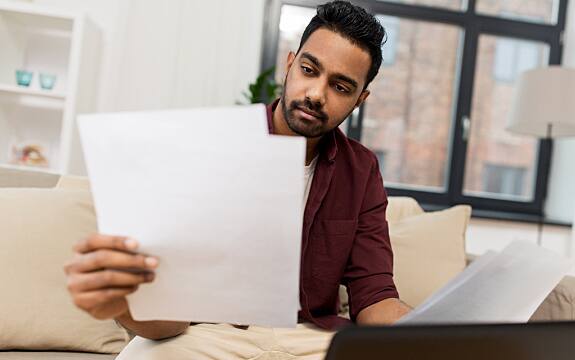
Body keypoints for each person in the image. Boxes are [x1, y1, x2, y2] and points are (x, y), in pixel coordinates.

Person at [64, 1, 411, 358]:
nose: (316, 94)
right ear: (290, 64)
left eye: (340, 87)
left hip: (309, 338)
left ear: (360, 99)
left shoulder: (362, 168)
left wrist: (439, 334)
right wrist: (123, 305)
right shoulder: (214, 142)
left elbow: (374, 294)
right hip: (210, 333)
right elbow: (167, 315)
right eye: (309, 70)